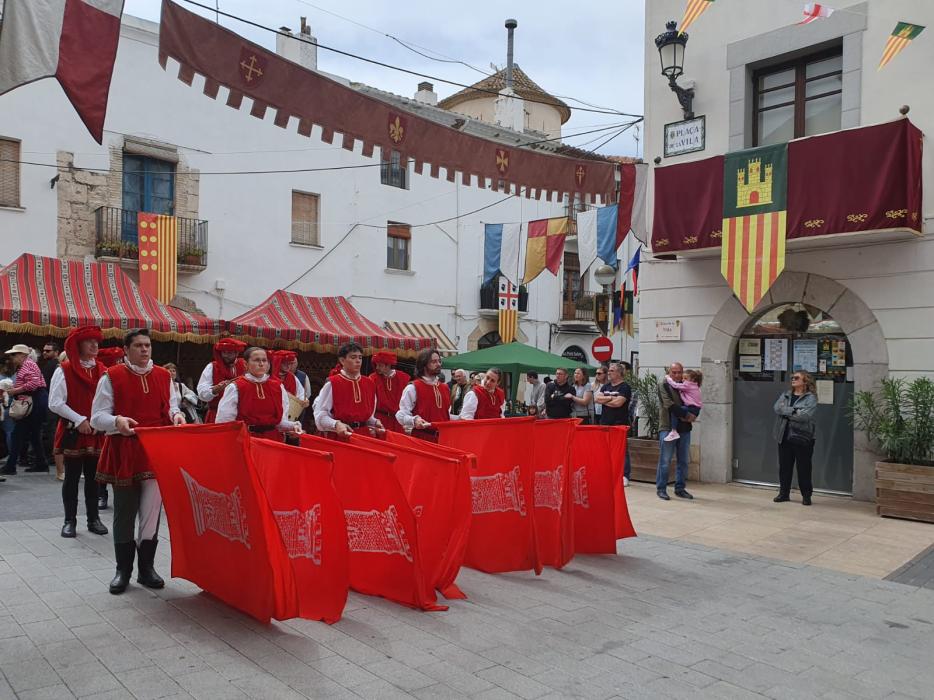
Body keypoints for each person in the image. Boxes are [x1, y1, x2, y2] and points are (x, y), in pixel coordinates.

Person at [92, 329, 185, 594]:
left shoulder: (163, 376)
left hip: (155, 450)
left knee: (152, 511)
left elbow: (172, 407)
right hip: (125, 449)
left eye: (147, 345)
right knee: (124, 511)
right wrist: (117, 421)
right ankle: (123, 571)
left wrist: (177, 416)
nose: (144, 349)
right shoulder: (112, 376)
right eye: (138, 346)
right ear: (126, 349)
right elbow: (97, 416)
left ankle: (146, 569)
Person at [48, 326, 109, 538]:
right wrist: (79, 419)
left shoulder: (103, 370)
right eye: (88, 341)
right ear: (78, 345)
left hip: (96, 431)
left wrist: (102, 421)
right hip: (73, 431)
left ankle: (94, 519)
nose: (94, 345)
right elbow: (55, 403)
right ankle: (69, 520)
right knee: (72, 478)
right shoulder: (64, 370)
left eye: (96, 341)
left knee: (94, 478)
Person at [216, 347, 302, 440]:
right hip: (246, 439)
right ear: (246, 364)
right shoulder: (236, 387)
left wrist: (293, 426)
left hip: (273, 439)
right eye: (256, 360)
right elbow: (224, 421)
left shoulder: (278, 387)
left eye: (264, 360)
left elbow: (280, 422)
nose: (261, 364)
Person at [313, 343, 382, 438]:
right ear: (342, 360)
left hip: (363, 436)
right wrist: (336, 424)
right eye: (353, 357)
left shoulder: (370, 384)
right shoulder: (333, 383)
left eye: (360, 357)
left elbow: (368, 417)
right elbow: (320, 415)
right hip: (339, 436)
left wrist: (375, 422)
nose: (358, 361)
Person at [1, 344, 49, 475]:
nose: (12, 357)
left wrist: (15, 391)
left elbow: (33, 384)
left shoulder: (28, 364)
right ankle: (41, 463)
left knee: (17, 434)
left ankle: (11, 466)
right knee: (34, 435)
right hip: (34, 401)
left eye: (14, 355)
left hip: (33, 401)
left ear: (22, 355)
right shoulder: (27, 365)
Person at [773, 371, 818, 506]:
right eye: (792, 377)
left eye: (797, 378)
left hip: (802, 437)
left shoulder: (810, 398)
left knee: (804, 467)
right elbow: (777, 408)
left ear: (805, 381)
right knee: (784, 467)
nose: (793, 379)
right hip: (784, 435)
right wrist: (794, 411)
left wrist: (787, 411)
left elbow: (805, 416)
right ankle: (784, 493)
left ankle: (806, 495)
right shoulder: (786, 394)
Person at [655, 363, 695, 501]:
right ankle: (661, 489)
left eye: (679, 372)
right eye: (674, 372)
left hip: (684, 428)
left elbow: (694, 400)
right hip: (667, 426)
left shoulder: (687, 384)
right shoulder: (664, 384)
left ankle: (680, 488)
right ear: (669, 372)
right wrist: (687, 415)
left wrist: (694, 413)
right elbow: (668, 404)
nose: (677, 375)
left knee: (683, 461)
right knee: (665, 460)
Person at [396, 349, 452, 440]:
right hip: (422, 438)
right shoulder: (413, 388)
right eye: (434, 362)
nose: (438, 364)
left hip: (444, 438)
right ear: (424, 365)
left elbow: (446, 415)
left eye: (439, 361)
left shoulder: (445, 388)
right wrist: (414, 420)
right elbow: (401, 415)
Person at [94, 346, 124, 511]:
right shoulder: (103, 377)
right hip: (100, 423)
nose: (120, 362)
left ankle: (117, 495)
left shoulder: (122, 375)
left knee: (115, 464)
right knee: (101, 463)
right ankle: (101, 494)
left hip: (118, 424)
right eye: (117, 360)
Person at [596, 362, 634, 485]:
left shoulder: (625, 387)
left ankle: (624, 475)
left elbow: (618, 403)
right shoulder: (605, 386)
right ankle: (606, 473)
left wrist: (605, 400)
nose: (609, 373)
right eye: (609, 371)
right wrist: (611, 398)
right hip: (604, 422)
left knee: (622, 450)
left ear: (619, 373)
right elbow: (597, 399)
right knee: (605, 450)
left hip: (619, 423)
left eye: (612, 371)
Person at [197, 337, 247, 423]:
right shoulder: (212, 367)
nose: (226, 355)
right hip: (216, 415)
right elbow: (201, 393)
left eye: (229, 353)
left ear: (237, 353)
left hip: (241, 416)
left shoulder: (245, 365)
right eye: (224, 352)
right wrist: (215, 390)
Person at [369, 350, 410, 433]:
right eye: (376, 365)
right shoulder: (373, 378)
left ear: (388, 365)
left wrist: (408, 423)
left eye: (380, 365)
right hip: (381, 420)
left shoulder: (404, 378)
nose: (377, 368)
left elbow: (408, 403)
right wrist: (371, 422)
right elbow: (372, 402)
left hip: (398, 421)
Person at [663, 369, 703, 442]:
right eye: (683, 378)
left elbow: (675, 385)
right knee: (679, 412)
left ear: (692, 379)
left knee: (675, 411)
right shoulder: (694, 385)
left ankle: (674, 431)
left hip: (692, 408)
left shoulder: (688, 385)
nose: (683, 380)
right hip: (695, 409)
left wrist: (668, 378)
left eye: (685, 378)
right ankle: (675, 430)